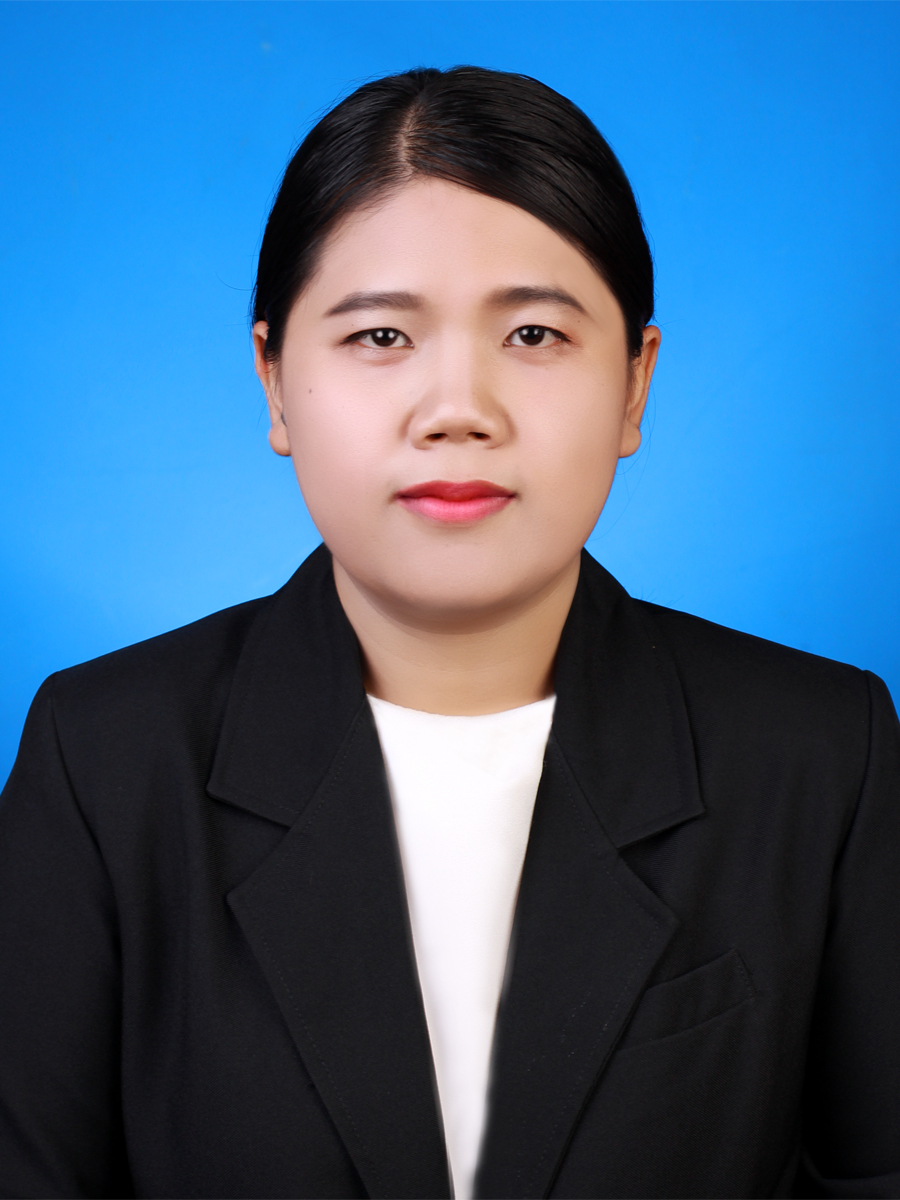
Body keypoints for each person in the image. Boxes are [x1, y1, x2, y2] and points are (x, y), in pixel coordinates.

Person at [0, 65, 897, 1200]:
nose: (458, 408)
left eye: (533, 332)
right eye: (381, 335)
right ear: (274, 382)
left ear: (634, 384)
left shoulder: (821, 754)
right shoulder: (106, 763)